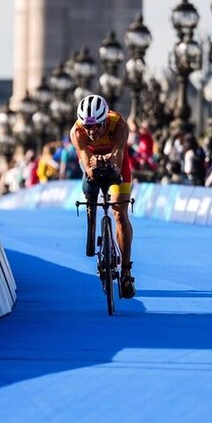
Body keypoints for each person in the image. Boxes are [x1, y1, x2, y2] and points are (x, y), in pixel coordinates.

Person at [70, 94, 135, 298]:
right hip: (91, 162)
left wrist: (111, 165)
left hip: (118, 162)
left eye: (97, 126)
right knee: (90, 188)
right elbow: (86, 163)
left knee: (119, 213)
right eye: (87, 127)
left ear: (106, 119)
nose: (92, 132)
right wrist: (94, 166)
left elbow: (118, 156)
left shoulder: (119, 125)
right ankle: (91, 224)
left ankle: (126, 271)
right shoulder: (77, 132)